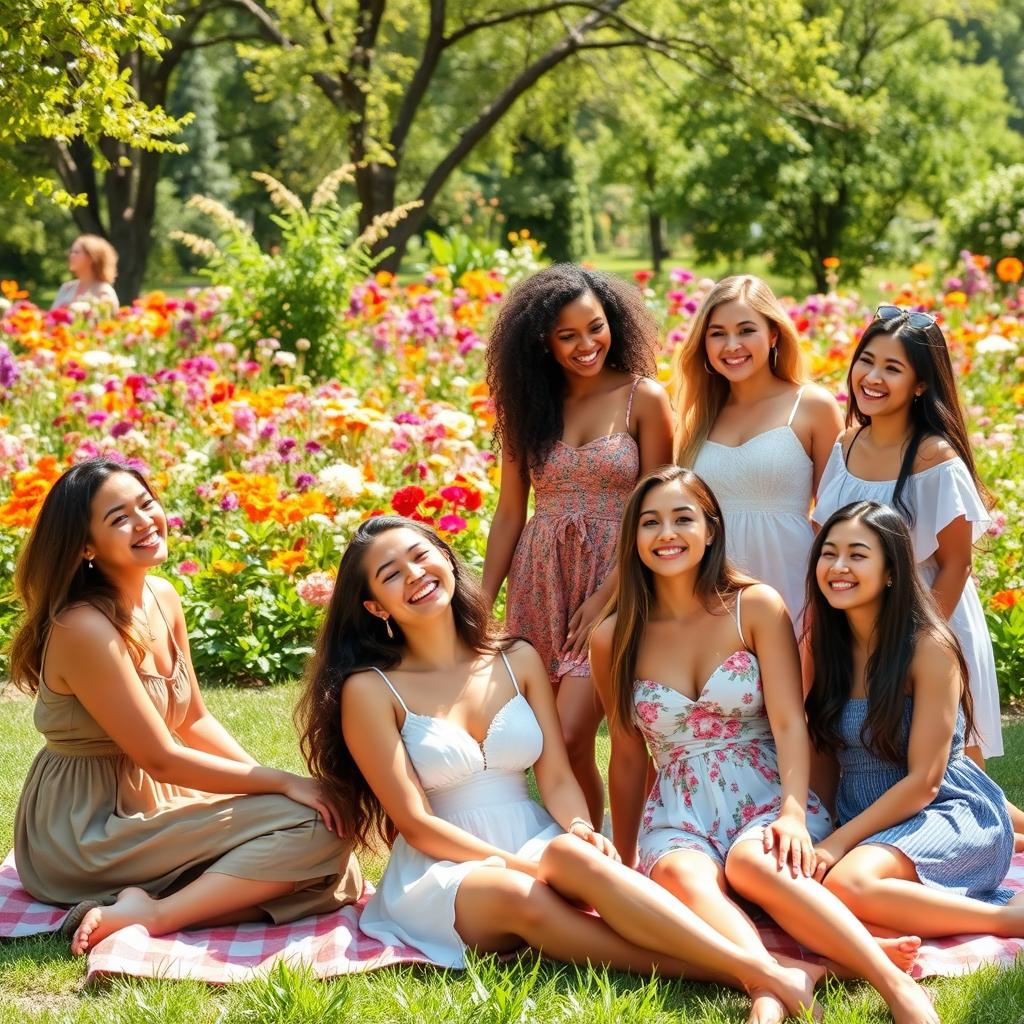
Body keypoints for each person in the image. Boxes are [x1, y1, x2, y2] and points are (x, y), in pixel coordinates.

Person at [296, 514, 826, 1020]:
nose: (415, 575)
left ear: (446, 559)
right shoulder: (369, 689)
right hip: (444, 866)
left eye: (420, 556)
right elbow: (416, 824)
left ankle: (764, 973)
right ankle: (763, 973)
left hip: (532, 833)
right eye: (392, 575)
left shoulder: (515, 657)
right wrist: (522, 865)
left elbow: (554, 777)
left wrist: (576, 828)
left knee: (580, 854)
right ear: (375, 606)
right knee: (518, 892)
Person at [590, 467, 938, 1024]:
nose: (667, 533)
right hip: (679, 805)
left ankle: (894, 985)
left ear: (710, 527)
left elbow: (788, 722)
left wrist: (794, 815)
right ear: (633, 538)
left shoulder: (754, 606)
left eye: (683, 518)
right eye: (650, 522)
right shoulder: (614, 636)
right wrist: (630, 856)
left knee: (755, 862)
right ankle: (771, 982)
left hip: (766, 790)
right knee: (681, 876)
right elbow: (629, 756)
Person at [10, 458, 361, 955]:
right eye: (119, 517)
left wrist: (273, 790)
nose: (145, 520)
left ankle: (165, 900)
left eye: (146, 503)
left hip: (156, 803)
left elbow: (194, 718)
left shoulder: (162, 595)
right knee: (313, 839)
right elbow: (161, 757)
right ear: (85, 546)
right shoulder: (83, 628)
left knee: (328, 845)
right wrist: (284, 785)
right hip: (87, 830)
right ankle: (154, 913)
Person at [481, 264, 673, 828]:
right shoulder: (528, 406)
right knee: (553, 741)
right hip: (542, 578)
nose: (586, 345)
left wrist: (609, 595)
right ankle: (596, 853)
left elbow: (658, 508)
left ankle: (635, 848)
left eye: (595, 327)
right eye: (567, 335)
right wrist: (480, 602)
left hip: (622, 577)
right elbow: (511, 510)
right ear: (542, 340)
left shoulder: (644, 399)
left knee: (573, 730)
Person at [806, 501, 1021, 940]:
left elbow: (926, 781)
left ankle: (1009, 920)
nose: (838, 566)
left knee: (848, 885)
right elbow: (823, 753)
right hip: (865, 817)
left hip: (946, 811)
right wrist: (820, 830)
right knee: (816, 892)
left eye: (857, 554)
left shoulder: (928, 648)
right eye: (828, 553)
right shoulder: (824, 645)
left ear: (891, 572)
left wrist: (839, 842)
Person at [811, 305, 1002, 765]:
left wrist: (911, 647)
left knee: (952, 777)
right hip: (853, 630)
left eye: (892, 368)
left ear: (920, 385)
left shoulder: (935, 457)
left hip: (929, 626)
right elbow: (824, 534)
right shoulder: (845, 444)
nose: (872, 377)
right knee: (868, 768)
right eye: (866, 360)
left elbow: (957, 564)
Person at [674, 275, 843, 626]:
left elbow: (834, 517)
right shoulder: (696, 419)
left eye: (746, 330)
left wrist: (825, 605)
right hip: (711, 595)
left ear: (774, 334)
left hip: (795, 590)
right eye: (717, 333)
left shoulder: (812, 406)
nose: (731, 345)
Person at [51, 235, 120, 312]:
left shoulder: (104, 292)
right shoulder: (66, 288)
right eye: (71, 252)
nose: (71, 255)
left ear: (92, 257)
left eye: (76, 252)